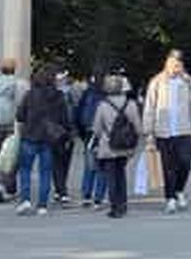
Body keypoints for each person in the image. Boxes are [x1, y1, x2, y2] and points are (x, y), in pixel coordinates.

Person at [142, 49, 191, 215]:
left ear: (182, 66)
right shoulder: (157, 82)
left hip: (184, 130)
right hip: (163, 132)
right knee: (168, 167)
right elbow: (149, 107)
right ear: (167, 63)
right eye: (172, 64)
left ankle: (179, 190)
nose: (175, 67)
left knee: (185, 162)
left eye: (178, 64)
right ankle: (170, 199)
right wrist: (149, 132)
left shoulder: (188, 82)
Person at [15, 64, 68, 217]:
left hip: (30, 136)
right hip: (49, 139)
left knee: (25, 169)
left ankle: (25, 200)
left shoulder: (29, 95)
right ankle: (42, 205)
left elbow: (20, 116)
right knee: (45, 172)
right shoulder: (58, 96)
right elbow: (64, 118)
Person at [92, 71, 142, 217]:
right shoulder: (131, 104)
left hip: (108, 145)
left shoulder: (102, 105)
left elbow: (97, 128)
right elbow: (138, 127)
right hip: (125, 145)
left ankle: (115, 207)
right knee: (121, 174)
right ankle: (123, 204)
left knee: (111, 177)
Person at [0, 56, 28, 203]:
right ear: (14, 69)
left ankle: (5, 186)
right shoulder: (20, 84)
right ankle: (5, 187)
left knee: (1, 158)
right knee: (12, 158)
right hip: (13, 127)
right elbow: (22, 106)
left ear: (0, 69)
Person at [76, 70, 107, 207]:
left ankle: (86, 195)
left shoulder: (87, 93)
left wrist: (81, 133)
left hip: (89, 132)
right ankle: (99, 198)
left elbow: (78, 114)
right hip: (104, 133)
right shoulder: (107, 94)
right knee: (103, 166)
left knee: (89, 165)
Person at [52, 68, 77, 206]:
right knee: (64, 162)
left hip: (54, 132)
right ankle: (62, 190)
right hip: (67, 131)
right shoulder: (70, 94)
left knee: (56, 162)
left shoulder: (50, 94)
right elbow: (75, 112)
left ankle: (59, 189)